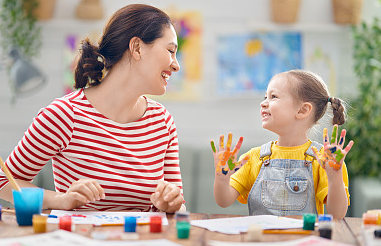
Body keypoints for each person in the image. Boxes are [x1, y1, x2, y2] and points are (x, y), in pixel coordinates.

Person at [0, 4, 185, 213]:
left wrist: (171, 204)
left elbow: (178, 206)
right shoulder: (65, 115)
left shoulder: (162, 122)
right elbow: (4, 181)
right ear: (137, 48)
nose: (176, 65)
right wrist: (61, 200)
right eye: (170, 51)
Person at [211, 69, 354, 219]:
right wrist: (222, 177)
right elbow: (223, 200)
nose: (263, 103)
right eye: (265, 96)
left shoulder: (324, 161)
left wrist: (334, 177)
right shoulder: (254, 157)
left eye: (273, 97)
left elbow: (337, 215)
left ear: (303, 110)